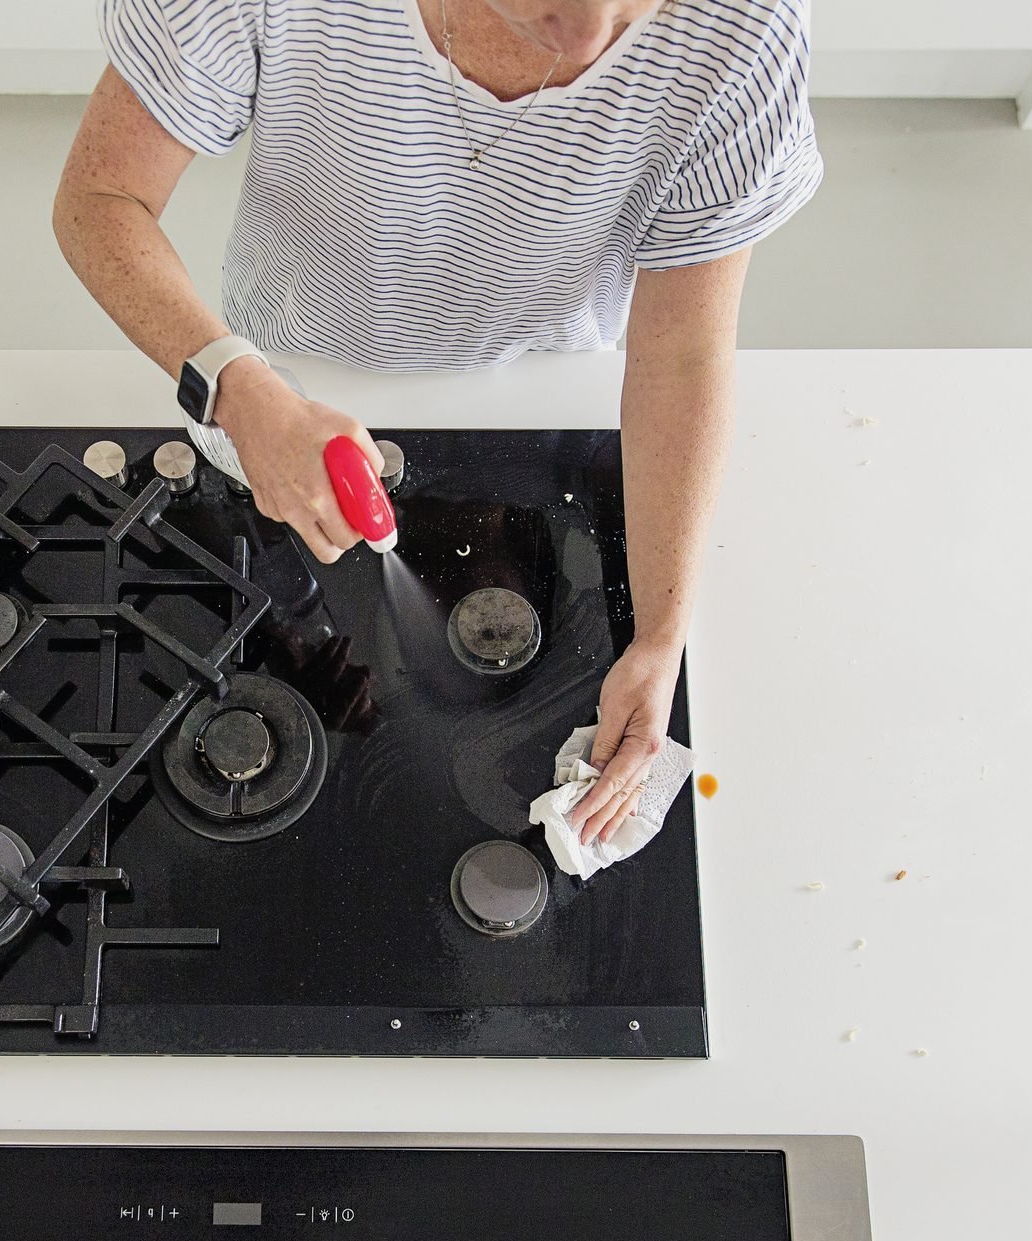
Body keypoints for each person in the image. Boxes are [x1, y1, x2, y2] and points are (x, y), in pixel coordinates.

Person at [53, 0, 821, 846]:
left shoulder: (746, 25)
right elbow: (101, 197)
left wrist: (662, 631)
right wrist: (239, 388)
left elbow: (683, 358)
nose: (594, 39)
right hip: (290, 367)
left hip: (550, 385)